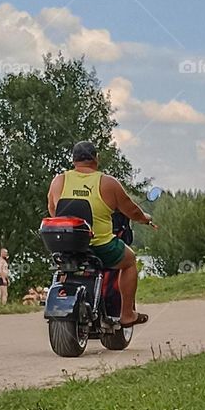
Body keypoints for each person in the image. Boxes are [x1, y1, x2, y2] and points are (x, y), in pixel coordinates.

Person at [47, 140, 156, 327]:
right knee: (130, 261)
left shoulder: (59, 181)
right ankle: (127, 314)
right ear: (96, 159)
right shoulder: (108, 183)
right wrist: (144, 219)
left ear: (73, 160)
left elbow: (53, 211)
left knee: (64, 267)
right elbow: (131, 210)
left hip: (67, 246)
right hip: (100, 246)